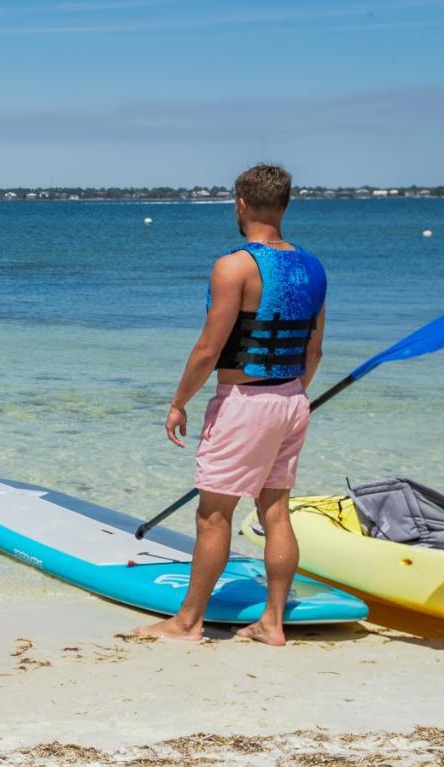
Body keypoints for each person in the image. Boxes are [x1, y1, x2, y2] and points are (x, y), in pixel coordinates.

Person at [133, 164, 326, 646]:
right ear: (284, 205)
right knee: (275, 512)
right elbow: (314, 351)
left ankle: (188, 622)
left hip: (245, 403)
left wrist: (179, 402)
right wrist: (290, 396)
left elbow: (207, 348)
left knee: (213, 514)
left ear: (240, 204)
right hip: (291, 398)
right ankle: (273, 624)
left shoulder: (234, 265)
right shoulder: (312, 266)